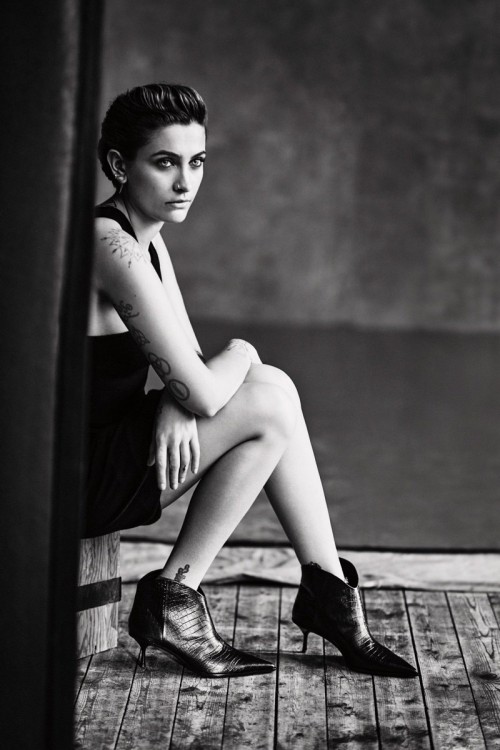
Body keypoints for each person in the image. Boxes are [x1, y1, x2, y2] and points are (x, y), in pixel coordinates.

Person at [86, 82, 417, 679]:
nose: (185, 182)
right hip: (73, 476)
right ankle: (181, 593)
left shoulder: (148, 241)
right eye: (165, 163)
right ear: (118, 164)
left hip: (110, 447)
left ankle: (326, 590)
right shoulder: (109, 244)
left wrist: (179, 400)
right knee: (266, 397)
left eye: (196, 162)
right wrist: (237, 352)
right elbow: (204, 385)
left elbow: (187, 364)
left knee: (269, 390)